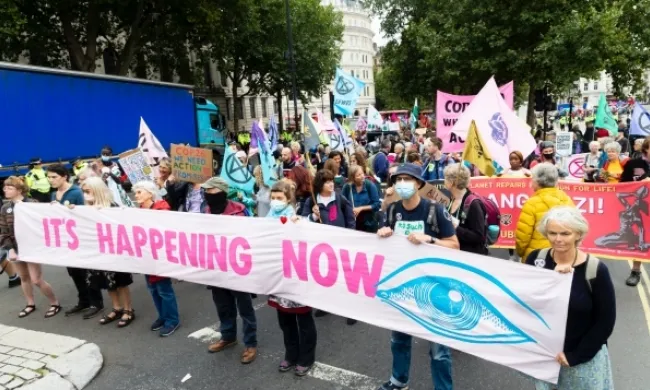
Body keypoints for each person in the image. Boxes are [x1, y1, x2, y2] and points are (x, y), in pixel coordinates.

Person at [377, 163, 459, 390]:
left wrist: (430, 240)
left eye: (408, 179)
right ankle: (398, 380)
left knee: (438, 349)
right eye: (399, 180)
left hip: (434, 287)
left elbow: (454, 246)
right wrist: (383, 234)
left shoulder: (435, 210)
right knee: (399, 339)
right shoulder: (392, 211)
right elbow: (383, 244)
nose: (403, 184)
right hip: (403, 286)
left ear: (419, 184)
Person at [525, 206, 616, 390]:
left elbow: (605, 321)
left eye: (565, 233)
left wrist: (576, 356)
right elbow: (525, 301)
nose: (558, 239)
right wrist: (552, 281)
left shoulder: (595, 270)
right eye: (552, 233)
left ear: (578, 234)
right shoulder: (537, 259)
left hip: (581, 359)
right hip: (546, 355)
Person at [201, 177, 258, 364]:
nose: (207, 195)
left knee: (245, 308)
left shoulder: (239, 212)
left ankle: (250, 343)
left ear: (221, 192)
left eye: (210, 191)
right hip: (216, 267)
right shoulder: (205, 211)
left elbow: (250, 239)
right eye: (206, 192)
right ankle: (228, 336)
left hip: (237, 268)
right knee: (223, 306)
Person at [266, 181, 317, 376]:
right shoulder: (268, 219)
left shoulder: (297, 219)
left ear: (288, 199)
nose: (275, 201)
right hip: (278, 278)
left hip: (296, 279)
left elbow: (308, 239)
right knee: (285, 320)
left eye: (279, 198)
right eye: (273, 198)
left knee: (303, 319)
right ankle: (291, 353)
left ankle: (306, 357)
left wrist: (303, 225)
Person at [47, 163, 105, 318]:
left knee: (87, 271)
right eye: (49, 177)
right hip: (66, 240)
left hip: (81, 239)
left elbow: (86, 212)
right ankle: (83, 300)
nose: (51, 180)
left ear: (64, 176)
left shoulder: (76, 192)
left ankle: (96, 302)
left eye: (54, 177)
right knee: (74, 272)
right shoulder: (54, 195)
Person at [1, 176, 61, 318]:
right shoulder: (5, 207)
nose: (5, 190)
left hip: (32, 247)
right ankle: (30, 303)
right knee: (24, 277)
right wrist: (10, 249)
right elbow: (3, 231)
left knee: (36, 279)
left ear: (19, 190)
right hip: (15, 248)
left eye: (10, 188)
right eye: (5, 187)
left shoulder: (32, 204)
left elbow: (44, 223)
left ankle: (55, 303)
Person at [302, 170, 356, 323]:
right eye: (327, 181)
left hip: (341, 243)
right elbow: (304, 221)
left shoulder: (339, 198)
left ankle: (351, 310)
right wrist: (313, 216)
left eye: (332, 180)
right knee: (326, 276)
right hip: (321, 247)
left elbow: (350, 217)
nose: (331, 183)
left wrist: (351, 235)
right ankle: (327, 305)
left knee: (345, 277)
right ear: (320, 184)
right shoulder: (312, 201)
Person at [81, 177, 135, 328]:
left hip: (114, 251)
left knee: (121, 282)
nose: (85, 195)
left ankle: (128, 309)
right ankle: (116, 307)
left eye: (88, 191)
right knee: (107, 282)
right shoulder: (84, 208)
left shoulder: (111, 206)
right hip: (98, 251)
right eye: (84, 192)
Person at [133, 180, 181, 337]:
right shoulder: (139, 210)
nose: (136, 195)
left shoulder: (162, 210)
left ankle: (172, 320)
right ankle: (163, 316)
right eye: (136, 192)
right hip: (146, 256)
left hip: (160, 257)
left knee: (164, 290)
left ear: (150, 193)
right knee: (153, 289)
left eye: (139, 192)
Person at [515, 163, 574, 260]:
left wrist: (521, 252)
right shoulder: (567, 200)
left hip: (536, 257)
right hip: (562, 255)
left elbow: (523, 236)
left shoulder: (531, 203)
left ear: (537, 182)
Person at [443, 163, 488, 255]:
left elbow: (479, 237)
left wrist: (455, 227)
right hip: (454, 254)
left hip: (470, 258)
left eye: (445, 178)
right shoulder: (451, 199)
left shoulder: (473, 203)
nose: (444, 181)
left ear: (452, 183)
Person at [342, 165, 382, 233]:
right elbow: (342, 203)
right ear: (353, 178)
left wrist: (361, 208)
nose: (362, 176)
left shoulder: (370, 185)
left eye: (362, 173)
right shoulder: (347, 187)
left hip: (369, 223)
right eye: (358, 175)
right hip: (353, 222)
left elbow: (377, 204)